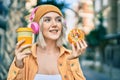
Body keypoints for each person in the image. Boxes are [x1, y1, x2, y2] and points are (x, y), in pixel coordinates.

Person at [7, 4, 87, 80]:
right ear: (37, 27)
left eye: (58, 20)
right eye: (47, 20)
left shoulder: (70, 56)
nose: (54, 24)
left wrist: (72, 61)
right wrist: (19, 66)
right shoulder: (25, 55)